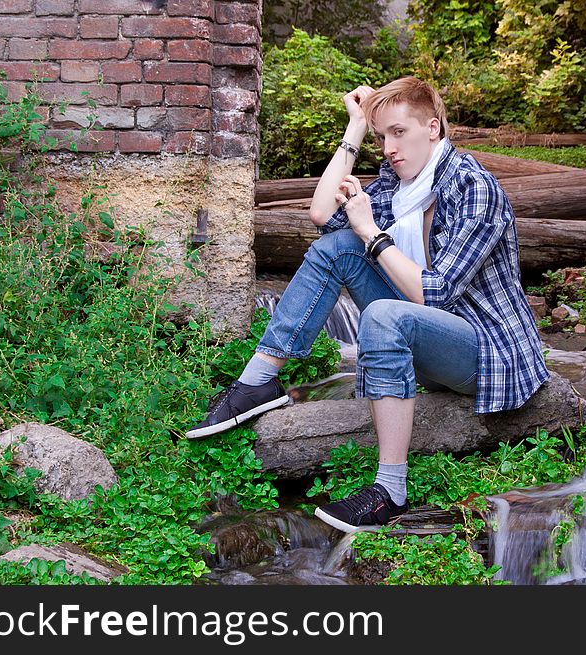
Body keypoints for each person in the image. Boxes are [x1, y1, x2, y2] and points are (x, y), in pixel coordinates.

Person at [186, 76, 550, 533]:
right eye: (382, 137)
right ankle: (258, 381)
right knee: (335, 245)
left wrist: (372, 234)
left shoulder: (474, 188)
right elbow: (320, 214)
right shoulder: (396, 186)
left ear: (433, 128)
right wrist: (355, 127)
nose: (390, 147)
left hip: (485, 350)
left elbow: (434, 293)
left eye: (399, 132)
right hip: (428, 331)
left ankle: (390, 490)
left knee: (379, 307)